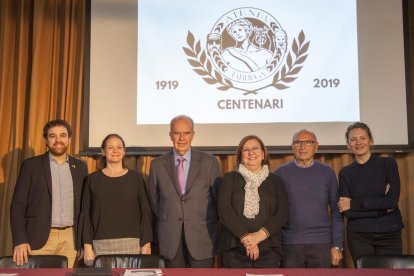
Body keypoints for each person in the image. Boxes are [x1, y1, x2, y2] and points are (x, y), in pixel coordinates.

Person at [10, 119, 88, 268]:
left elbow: (84, 208)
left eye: (63, 135)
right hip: (38, 238)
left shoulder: (80, 167)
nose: (58, 140)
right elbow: (17, 206)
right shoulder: (31, 166)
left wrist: (84, 241)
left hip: (71, 240)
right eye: (53, 136)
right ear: (45, 139)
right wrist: (20, 239)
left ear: (69, 139)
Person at [148, 115, 221, 268]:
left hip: (202, 238)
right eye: (177, 133)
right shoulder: (157, 165)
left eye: (186, 133)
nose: (182, 138)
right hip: (170, 239)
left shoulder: (210, 162)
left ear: (193, 135)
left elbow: (218, 201)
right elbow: (154, 202)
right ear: (170, 135)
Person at [274, 129, 344, 268]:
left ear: (316, 146)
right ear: (292, 146)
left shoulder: (327, 172)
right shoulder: (280, 173)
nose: (302, 147)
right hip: (289, 243)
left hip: (321, 243)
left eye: (308, 142)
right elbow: (273, 212)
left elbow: (337, 211)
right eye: (298, 142)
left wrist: (337, 245)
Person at [80, 134, 152, 266]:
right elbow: (85, 216)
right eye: (110, 147)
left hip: (132, 245)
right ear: (103, 151)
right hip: (100, 245)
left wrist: (146, 244)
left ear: (124, 151)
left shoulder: (136, 178)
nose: (115, 151)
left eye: (119, 147)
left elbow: (146, 213)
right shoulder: (92, 180)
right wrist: (88, 247)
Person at [338, 122, 404, 266]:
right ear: (348, 144)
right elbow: (347, 211)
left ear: (371, 140)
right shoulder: (345, 172)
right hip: (359, 236)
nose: (358, 142)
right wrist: (381, 209)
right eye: (353, 139)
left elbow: (392, 201)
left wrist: (354, 204)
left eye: (363, 138)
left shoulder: (388, 164)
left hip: (389, 233)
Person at [218, 135, 288, 268]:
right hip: (234, 248)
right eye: (246, 150)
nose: (251, 153)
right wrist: (247, 239)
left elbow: (282, 213)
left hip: (269, 248)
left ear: (263, 154)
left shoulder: (276, 181)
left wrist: (258, 237)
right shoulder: (229, 179)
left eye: (255, 148)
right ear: (240, 155)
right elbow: (224, 211)